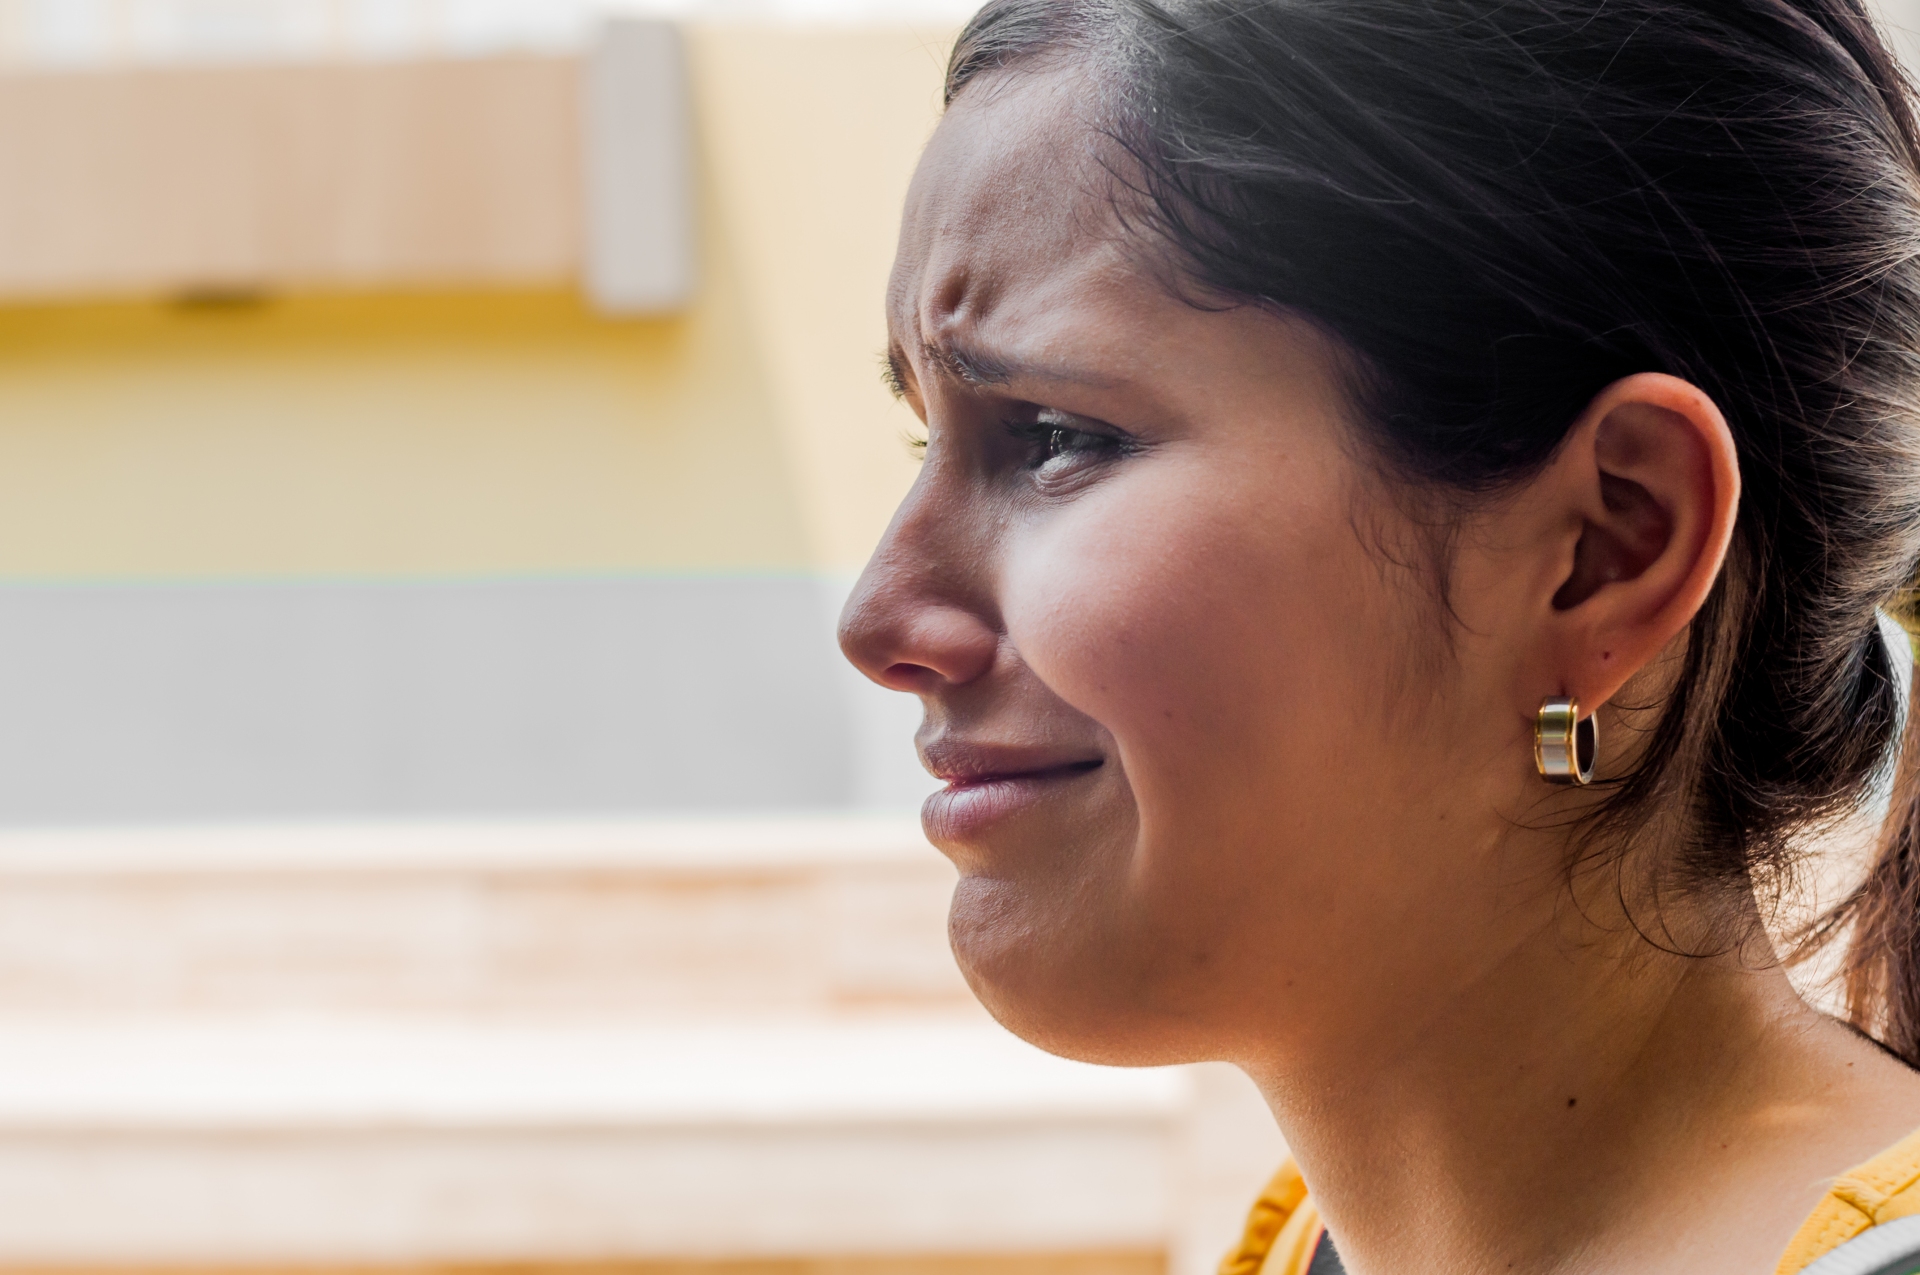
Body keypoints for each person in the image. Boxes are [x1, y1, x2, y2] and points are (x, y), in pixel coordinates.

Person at [836, 1, 1920, 1271]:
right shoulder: (1306, 1245)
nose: (879, 620)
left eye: (1058, 439)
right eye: (927, 440)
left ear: (1609, 548)